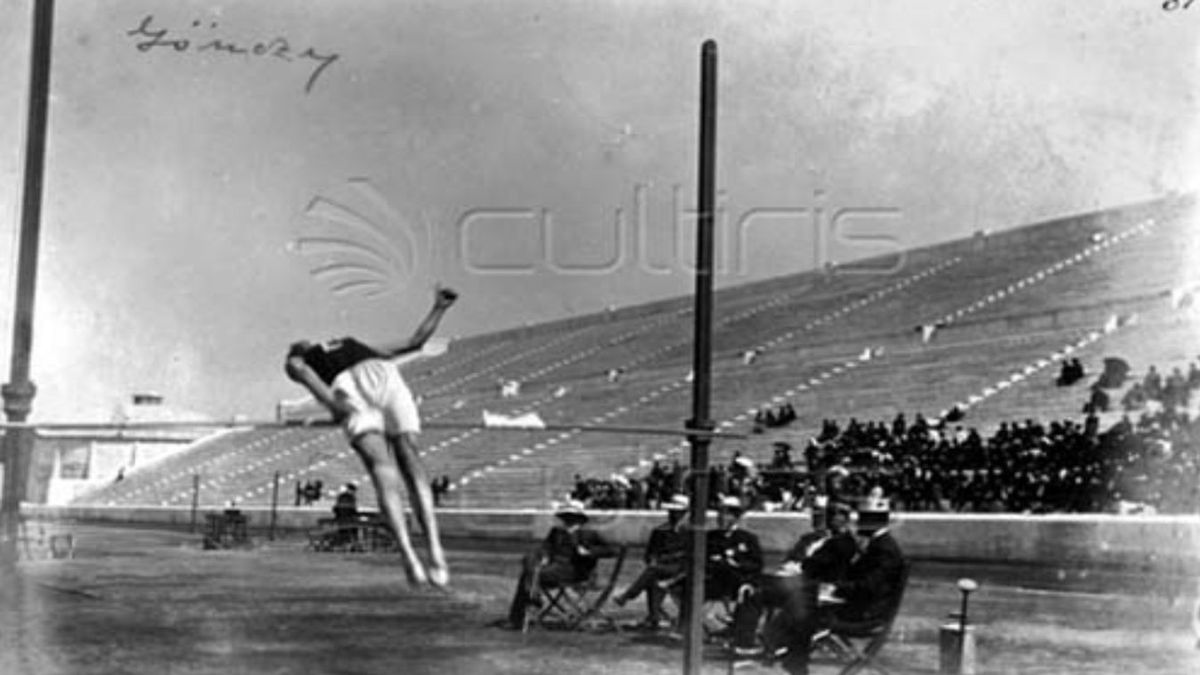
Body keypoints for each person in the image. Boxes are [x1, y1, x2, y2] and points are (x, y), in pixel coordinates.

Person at [284, 285, 457, 588]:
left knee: (405, 460)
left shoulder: (356, 345)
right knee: (385, 469)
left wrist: (438, 309)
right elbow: (298, 368)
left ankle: (433, 549)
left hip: (381, 374)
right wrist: (330, 400)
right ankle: (409, 554)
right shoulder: (301, 356)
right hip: (349, 386)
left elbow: (414, 342)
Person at [773, 496, 907, 675]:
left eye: (862, 518)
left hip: (867, 614)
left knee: (806, 605)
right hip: (864, 607)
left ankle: (791, 657)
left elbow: (868, 587)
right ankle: (790, 654)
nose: (858, 523)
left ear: (873, 520)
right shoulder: (880, 545)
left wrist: (836, 589)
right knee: (807, 597)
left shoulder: (884, 550)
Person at [506, 500, 619, 628]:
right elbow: (545, 547)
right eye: (565, 516)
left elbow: (611, 551)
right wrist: (543, 555)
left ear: (579, 518)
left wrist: (589, 552)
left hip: (575, 571)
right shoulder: (556, 532)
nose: (567, 519)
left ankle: (520, 614)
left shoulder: (589, 533)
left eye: (571, 516)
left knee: (528, 575)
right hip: (554, 568)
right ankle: (533, 597)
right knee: (529, 562)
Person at [612, 494, 690, 629]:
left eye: (677, 512)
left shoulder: (690, 532)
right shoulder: (660, 531)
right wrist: (653, 560)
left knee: (653, 572)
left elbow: (691, 555)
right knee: (653, 578)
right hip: (662, 567)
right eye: (672, 512)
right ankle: (654, 617)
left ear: (684, 513)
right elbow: (650, 553)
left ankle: (628, 596)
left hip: (681, 569)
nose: (673, 515)